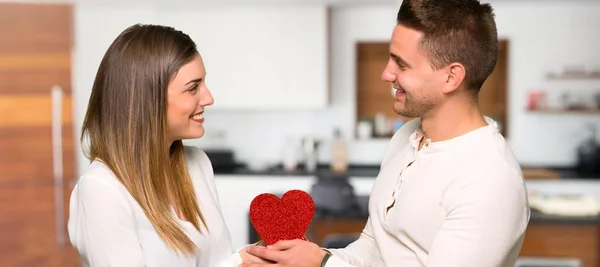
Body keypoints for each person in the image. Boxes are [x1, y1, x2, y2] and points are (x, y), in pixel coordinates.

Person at [242, 0, 530, 266]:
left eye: (401, 64)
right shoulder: (406, 137)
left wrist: (323, 264)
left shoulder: (490, 178)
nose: (387, 73)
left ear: (451, 77)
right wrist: (318, 257)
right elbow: (374, 245)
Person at [67, 24, 266, 267]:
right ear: (147, 100)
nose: (209, 98)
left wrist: (246, 260)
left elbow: (216, 261)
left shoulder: (197, 164)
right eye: (193, 88)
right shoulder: (101, 188)